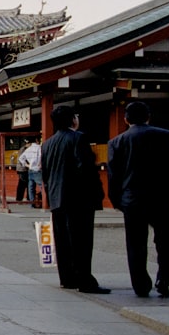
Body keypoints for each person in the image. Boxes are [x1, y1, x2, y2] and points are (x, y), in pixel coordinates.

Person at [107, 101, 169, 298]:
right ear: (149, 116)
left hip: (132, 200)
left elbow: (114, 176)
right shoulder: (165, 136)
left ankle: (141, 285)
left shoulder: (117, 142)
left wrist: (117, 200)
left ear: (125, 119)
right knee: (167, 241)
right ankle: (163, 279)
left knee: (135, 244)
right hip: (162, 198)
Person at [41, 105, 110, 294]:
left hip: (57, 197)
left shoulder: (47, 143)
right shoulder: (78, 138)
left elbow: (45, 173)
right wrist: (97, 193)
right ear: (73, 120)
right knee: (81, 240)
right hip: (78, 198)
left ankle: (67, 277)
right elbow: (86, 169)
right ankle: (84, 280)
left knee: (62, 240)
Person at [19, 139, 42, 207]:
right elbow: (41, 156)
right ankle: (45, 202)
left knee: (31, 187)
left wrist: (27, 165)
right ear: (37, 141)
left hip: (30, 169)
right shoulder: (38, 147)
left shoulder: (28, 149)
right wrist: (39, 165)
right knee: (42, 186)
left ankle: (32, 203)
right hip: (37, 169)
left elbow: (21, 158)